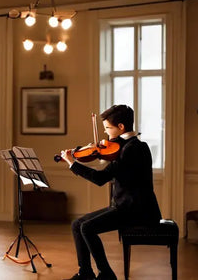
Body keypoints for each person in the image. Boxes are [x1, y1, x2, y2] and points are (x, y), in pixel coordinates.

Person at [59, 105, 162, 280]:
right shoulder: (124, 146)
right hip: (123, 205)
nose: (106, 134)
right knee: (77, 224)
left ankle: (106, 274)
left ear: (121, 127)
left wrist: (73, 163)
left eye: (108, 128)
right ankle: (85, 272)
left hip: (137, 210)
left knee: (87, 227)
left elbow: (101, 178)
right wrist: (97, 153)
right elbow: (114, 165)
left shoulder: (133, 149)